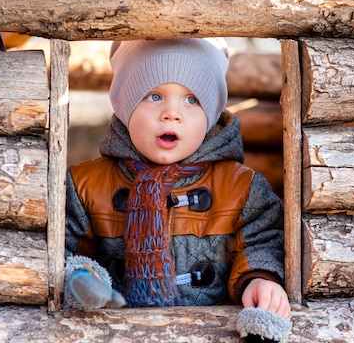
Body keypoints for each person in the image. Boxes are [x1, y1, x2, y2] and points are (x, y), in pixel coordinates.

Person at [64, 38, 290, 326]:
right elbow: (64, 248)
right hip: (117, 330)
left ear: (210, 117)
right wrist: (82, 275)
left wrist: (259, 279)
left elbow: (263, 242)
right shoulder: (85, 185)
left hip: (211, 330)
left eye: (192, 100)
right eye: (154, 96)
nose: (172, 113)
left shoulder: (240, 186)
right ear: (124, 105)